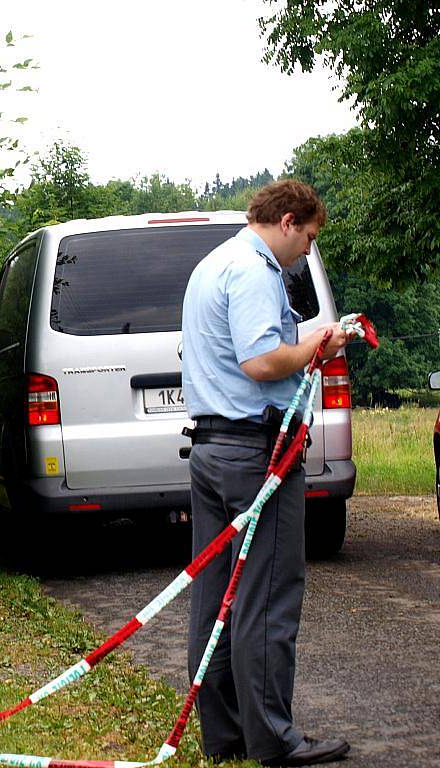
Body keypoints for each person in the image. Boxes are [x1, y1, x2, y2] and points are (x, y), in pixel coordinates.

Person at [182, 180, 351, 767]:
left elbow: (252, 346)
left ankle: (225, 735)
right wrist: (318, 349)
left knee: (216, 600)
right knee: (268, 597)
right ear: (285, 221)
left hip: (211, 452)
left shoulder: (213, 264)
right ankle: (276, 740)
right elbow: (259, 362)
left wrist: (305, 338)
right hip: (255, 455)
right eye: (307, 238)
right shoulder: (255, 271)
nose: (306, 251)